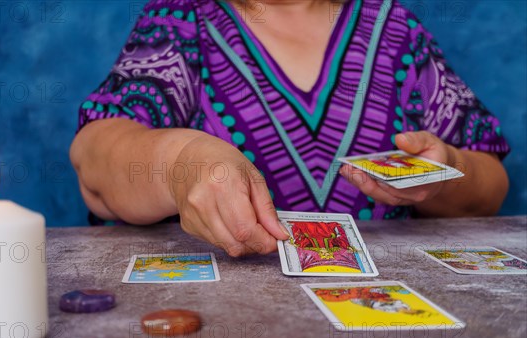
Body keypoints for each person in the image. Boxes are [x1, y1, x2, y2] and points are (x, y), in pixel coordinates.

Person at [70, 0, 510, 257]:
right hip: (224, 327)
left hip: (381, 330)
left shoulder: (396, 28)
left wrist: (444, 171)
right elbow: (95, 162)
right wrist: (182, 163)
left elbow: (490, 189)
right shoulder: (183, 21)